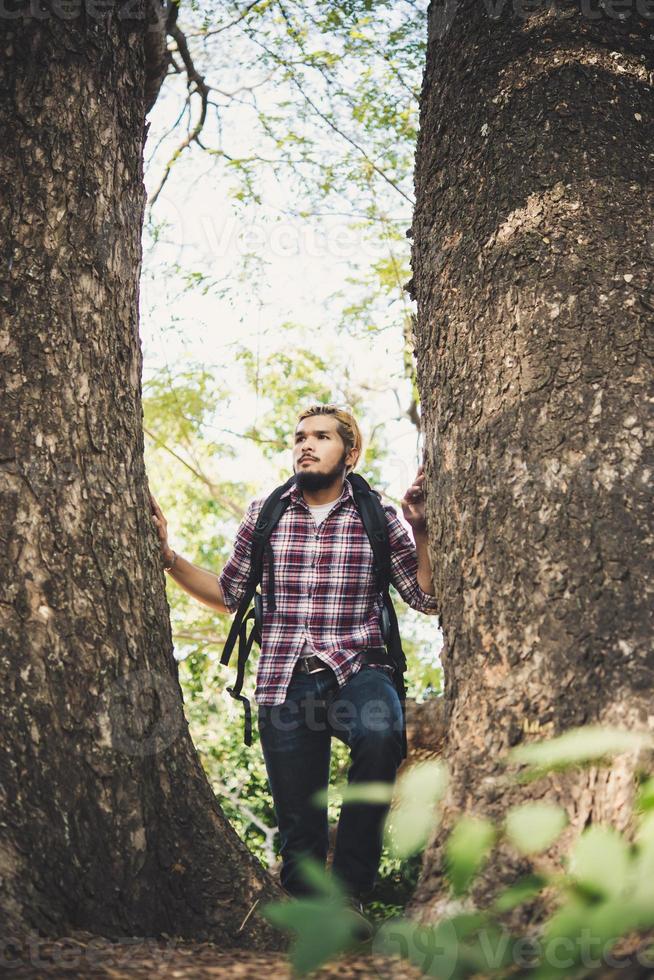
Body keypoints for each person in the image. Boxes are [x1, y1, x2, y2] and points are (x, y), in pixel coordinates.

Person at [149, 404, 438, 921]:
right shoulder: (267, 511)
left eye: (322, 437)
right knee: (299, 836)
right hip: (284, 681)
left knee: (379, 736)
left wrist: (421, 529)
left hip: (359, 669)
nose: (306, 444)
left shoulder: (376, 515)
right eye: (300, 436)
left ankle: (350, 893)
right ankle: (310, 919)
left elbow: (424, 595)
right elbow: (228, 593)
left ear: (349, 453)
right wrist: (168, 558)